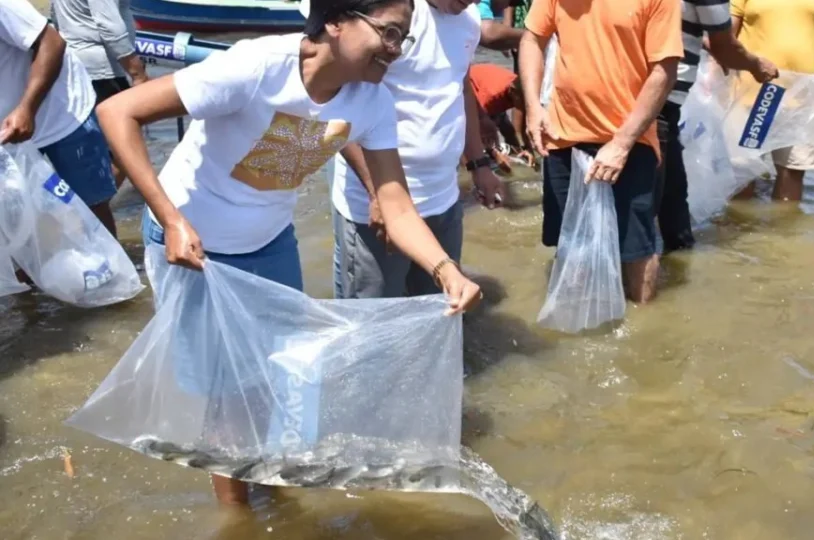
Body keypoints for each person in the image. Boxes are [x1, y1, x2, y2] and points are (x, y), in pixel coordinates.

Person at [95, 0, 483, 507]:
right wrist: (170, 219)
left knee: (276, 383)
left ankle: (273, 496)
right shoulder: (256, 66)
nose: (396, 50)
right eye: (388, 33)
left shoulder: (372, 101)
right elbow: (117, 112)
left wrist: (446, 270)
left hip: (270, 242)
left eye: (402, 38)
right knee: (224, 398)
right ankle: (239, 518)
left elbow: (397, 205)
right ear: (336, 20)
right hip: (194, 251)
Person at [326, 0, 505, 300]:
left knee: (440, 306)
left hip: (444, 200)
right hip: (375, 205)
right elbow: (338, 102)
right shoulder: (386, 13)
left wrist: (479, 164)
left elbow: (461, 89)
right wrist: (376, 193)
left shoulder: (470, 19)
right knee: (374, 318)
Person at [520, 0, 683, 304]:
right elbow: (532, 38)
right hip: (562, 137)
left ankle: (642, 324)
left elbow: (664, 70)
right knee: (570, 242)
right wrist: (533, 107)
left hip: (631, 140)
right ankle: (575, 319)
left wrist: (621, 143)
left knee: (636, 249)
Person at [657, 0, 779, 254]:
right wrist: (756, 65)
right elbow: (724, 45)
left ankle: (673, 266)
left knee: (669, 201)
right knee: (654, 208)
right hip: (659, 101)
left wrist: (700, 40)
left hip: (615, 92)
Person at [0, 0, 118, 237]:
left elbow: (52, 42)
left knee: (91, 206)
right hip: (8, 130)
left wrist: (27, 108)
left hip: (63, 112)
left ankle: (108, 260)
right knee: (15, 218)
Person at [730, 0, 814, 202]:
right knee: (742, 173)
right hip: (751, 96)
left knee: (793, 172)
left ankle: (784, 223)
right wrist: (711, 76)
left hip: (802, 99)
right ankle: (740, 222)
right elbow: (725, 35)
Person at [52, 0, 149, 188]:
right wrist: (138, 74)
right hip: (103, 70)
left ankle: (85, 200)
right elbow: (110, 27)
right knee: (126, 149)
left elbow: (55, 18)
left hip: (74, 66)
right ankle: (96, 203)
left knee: (91, 150)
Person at [467, 62, 535, 170]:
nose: (525, 105)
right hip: (471, 88)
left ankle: (517, 155)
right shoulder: (491, 95)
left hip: (492, 86)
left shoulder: (521, 91)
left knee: (508, 129)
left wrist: (526, 148)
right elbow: (480, 127)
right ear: (513, 92)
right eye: (523, 101)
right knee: (480, 132)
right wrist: (495, 153)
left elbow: (522, 128)